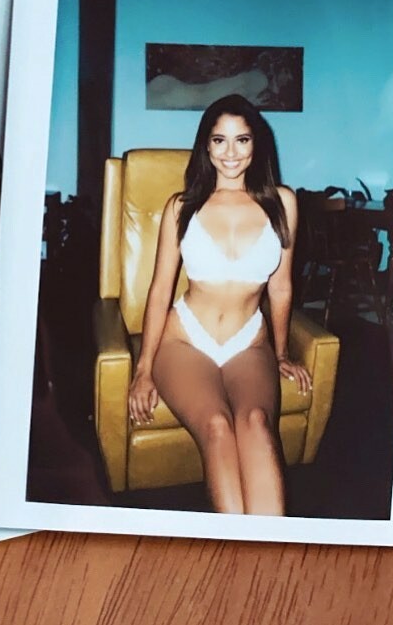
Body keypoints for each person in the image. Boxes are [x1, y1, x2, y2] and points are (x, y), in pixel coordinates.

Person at [128, 94, 311, 515]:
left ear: (256, 145)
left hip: (248, 342)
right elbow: (160, 291)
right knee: (216, 427)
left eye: (242, 140)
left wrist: (282, 353)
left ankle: (269, 547)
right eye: (219, 140)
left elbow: (281, 288)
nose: (231, 153)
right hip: (185, 340)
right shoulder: (181, 207)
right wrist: (143, 368)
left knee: (257, 424)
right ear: (206, 147)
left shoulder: (282, 202)